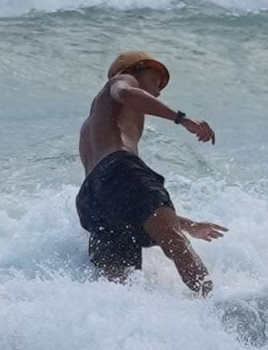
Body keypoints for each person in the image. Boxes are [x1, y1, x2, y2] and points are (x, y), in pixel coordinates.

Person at [76, 51, 227, 296]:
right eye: (155, 83)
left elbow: (124, 200)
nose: (157, 93)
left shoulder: (92, 127)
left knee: (119, 290)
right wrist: (182, 119)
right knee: (176, 244)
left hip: (91, 201)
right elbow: (125, 93)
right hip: (121, 168)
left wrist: (189, 225)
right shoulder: (121, 81)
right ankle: (214, 307)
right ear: (135, 70)